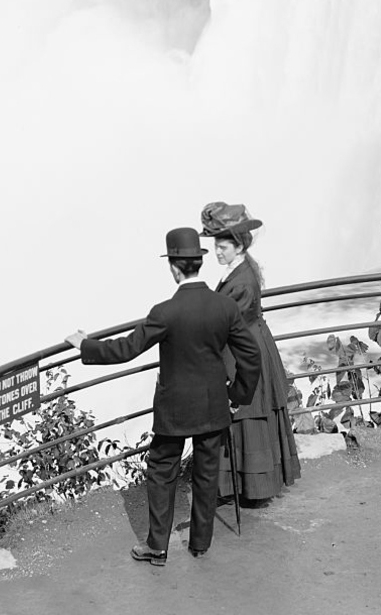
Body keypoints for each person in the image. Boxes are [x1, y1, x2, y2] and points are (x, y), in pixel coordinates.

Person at [65, 227, 261, 566]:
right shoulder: (224, 306)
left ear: (173, 267)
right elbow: (251, 357)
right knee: (206, 470)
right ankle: (200, 542)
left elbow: (126, 349)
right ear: (198, 263)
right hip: (214, 403)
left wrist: (85, 345)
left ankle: (157, 546)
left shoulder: (165, 312)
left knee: (161, 469)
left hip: (174, 410)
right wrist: (236, 395)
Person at [200, 201, 301, 506]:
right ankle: (244, 485)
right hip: (250, 341)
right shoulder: (241, 269)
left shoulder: (241, 279)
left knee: (248, 411)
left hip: (244, 348)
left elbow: (226, 322)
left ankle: (252, 488)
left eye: (224, 245)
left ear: (238, 244)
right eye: (216, 244)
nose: (218, 251)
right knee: (248, 413)